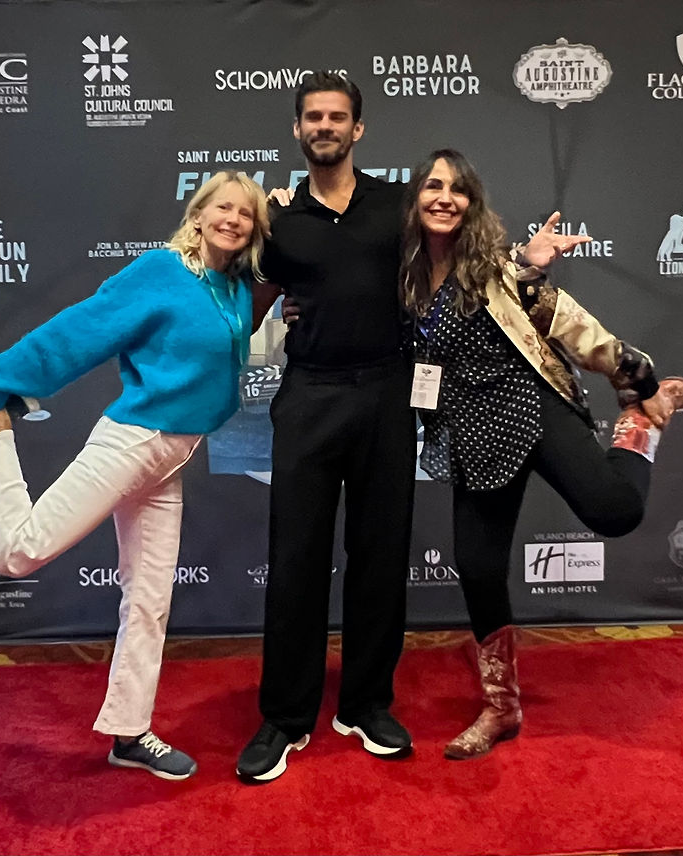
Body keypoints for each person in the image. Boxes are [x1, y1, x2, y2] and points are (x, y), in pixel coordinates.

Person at [0, 171, 270, 780]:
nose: (233, 219)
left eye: (246, 213)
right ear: (197, 215)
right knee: (19, 553)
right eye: (222, 207)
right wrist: (1, 382)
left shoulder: (230, 287)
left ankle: (128, 731)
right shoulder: (161, 270)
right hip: (133, 441)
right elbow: (86, 327)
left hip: (169, 459)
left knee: (148, 600)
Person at [400, 149, 683, 760]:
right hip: (470, 432)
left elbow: (572, 326)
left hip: (528, 405)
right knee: (480, 567)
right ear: (415, 200)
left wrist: (640, 384)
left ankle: (640, 428)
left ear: (472, 205)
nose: (444, 197)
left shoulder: (497, 270)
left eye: (458, 189)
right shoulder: (403, 278)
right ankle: (502, 707)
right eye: (433, 186)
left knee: (615, 511)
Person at [236, 72, 416, 783]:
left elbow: (451, 274)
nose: (325, 126)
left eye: (337, 116)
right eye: (313, 116)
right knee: (297, 562)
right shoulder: (277, 221)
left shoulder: (398, 207)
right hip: (309, 397)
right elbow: (247, 307)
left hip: (387, 395)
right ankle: (284, 717)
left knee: (380, 556)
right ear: (298, 129)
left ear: (358, 129)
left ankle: (366, 704)